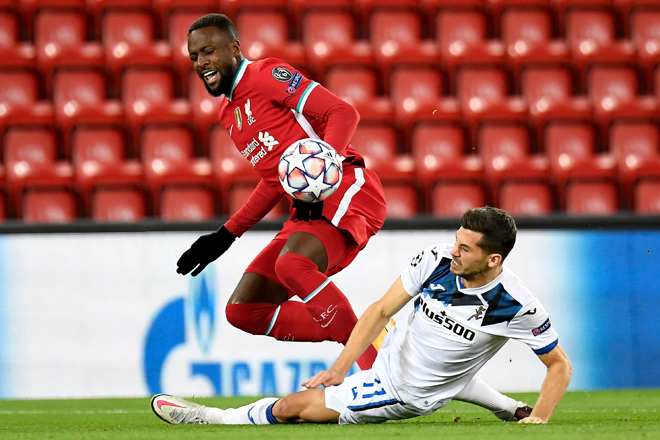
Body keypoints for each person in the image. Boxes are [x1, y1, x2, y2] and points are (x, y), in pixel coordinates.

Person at [152, 207, 573, 426]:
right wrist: (340, 367)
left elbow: (559, 365)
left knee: (293, 409)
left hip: (405, 389)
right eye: (456, 241)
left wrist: (542, 417)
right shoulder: (436, 261)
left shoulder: (516, 305)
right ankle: (506, 409)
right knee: (448, 369)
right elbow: (380, 310)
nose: (454, 251)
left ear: (494, 258)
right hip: (413, 356)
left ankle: (214, 419)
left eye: (466, 248)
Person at [177, 13, 389, 369]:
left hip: (347, 186)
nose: (202, 63)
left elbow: (343, 113)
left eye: (209, 51)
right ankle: (367, 332)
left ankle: (376, 372)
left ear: (234, 49)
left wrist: (322, 171)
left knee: (293, 264)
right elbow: (277, 180)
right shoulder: (228, 115)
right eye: (195, 57)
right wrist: (227, 234)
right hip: (306, 204)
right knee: (245, 310)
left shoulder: (264, 75)